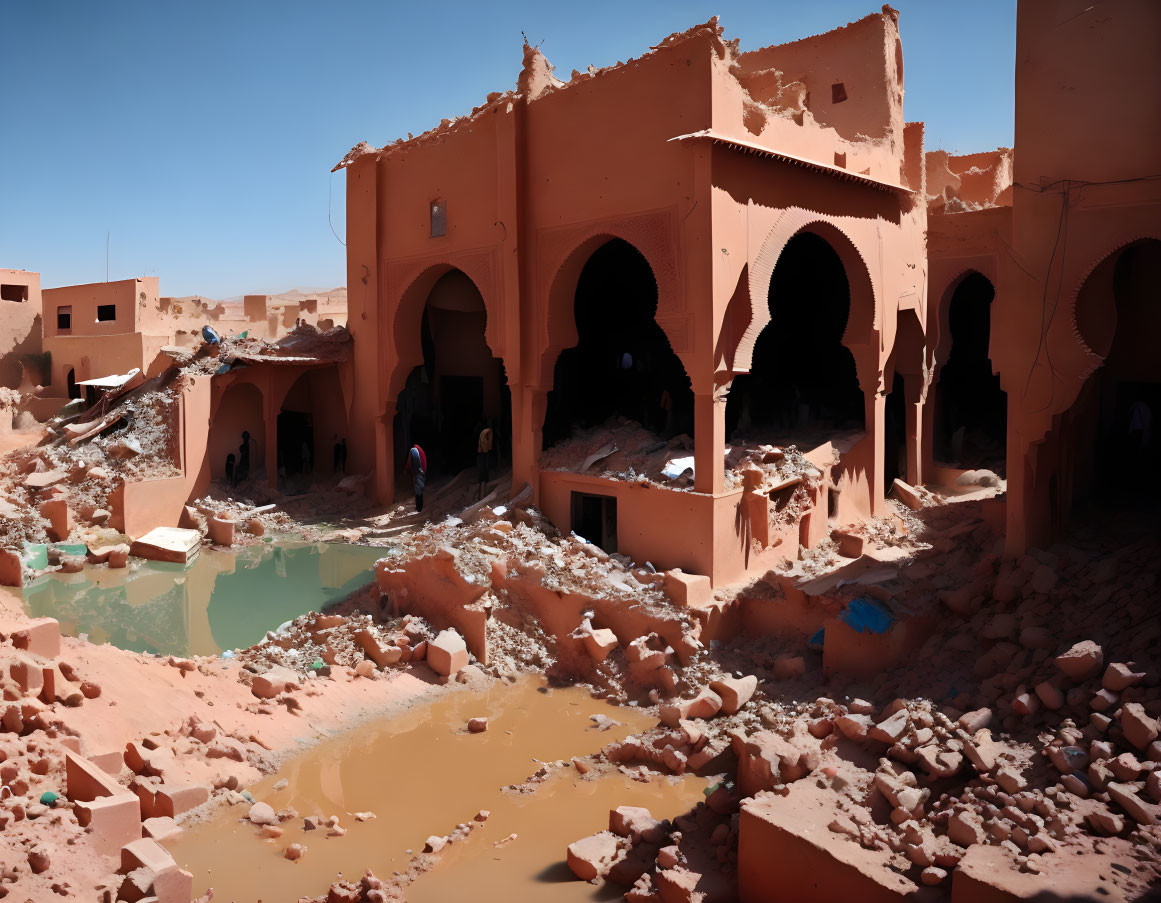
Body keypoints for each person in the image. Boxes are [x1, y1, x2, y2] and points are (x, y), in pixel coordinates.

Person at [405, 443, 427, 513]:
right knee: (419, 491)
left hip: (418, 472)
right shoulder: (420, 450)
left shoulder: (413, 450)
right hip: (422, 471)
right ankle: (419, 508)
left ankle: (419, 509)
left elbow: (411, 461)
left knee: (418, 492)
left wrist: (407, 468)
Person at [476, 425, 493, 500]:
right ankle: (482, 495)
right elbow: (488, 447)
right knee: (484, 471)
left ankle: (481, 495)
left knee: (482, 471)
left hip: (482, 456)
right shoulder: (485, 437)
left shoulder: (482, 436)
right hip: (484, 456)